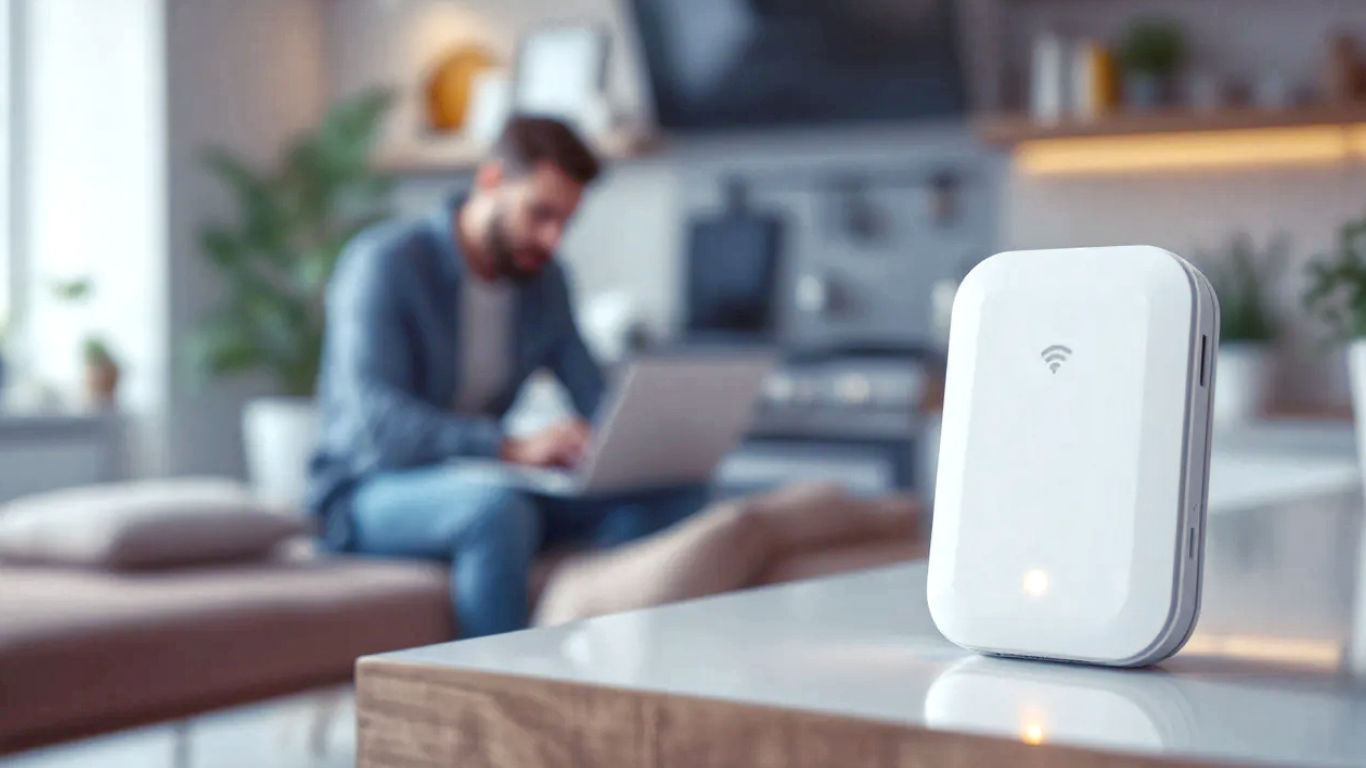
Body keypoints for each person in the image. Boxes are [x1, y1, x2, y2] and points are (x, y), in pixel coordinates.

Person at [307, 116, 705, 638]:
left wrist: (637, 448)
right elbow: (382, 424)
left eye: (565, 223)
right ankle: (501, 700)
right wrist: (511, 448)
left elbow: (592, 394)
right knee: (497, 513)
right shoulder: (385, 264)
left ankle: (591, 641)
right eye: (539, 214)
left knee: (678, 496)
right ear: (491, 181)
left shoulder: (544, 282)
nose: (551, 239)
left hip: (489, 479)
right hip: (371, 489)